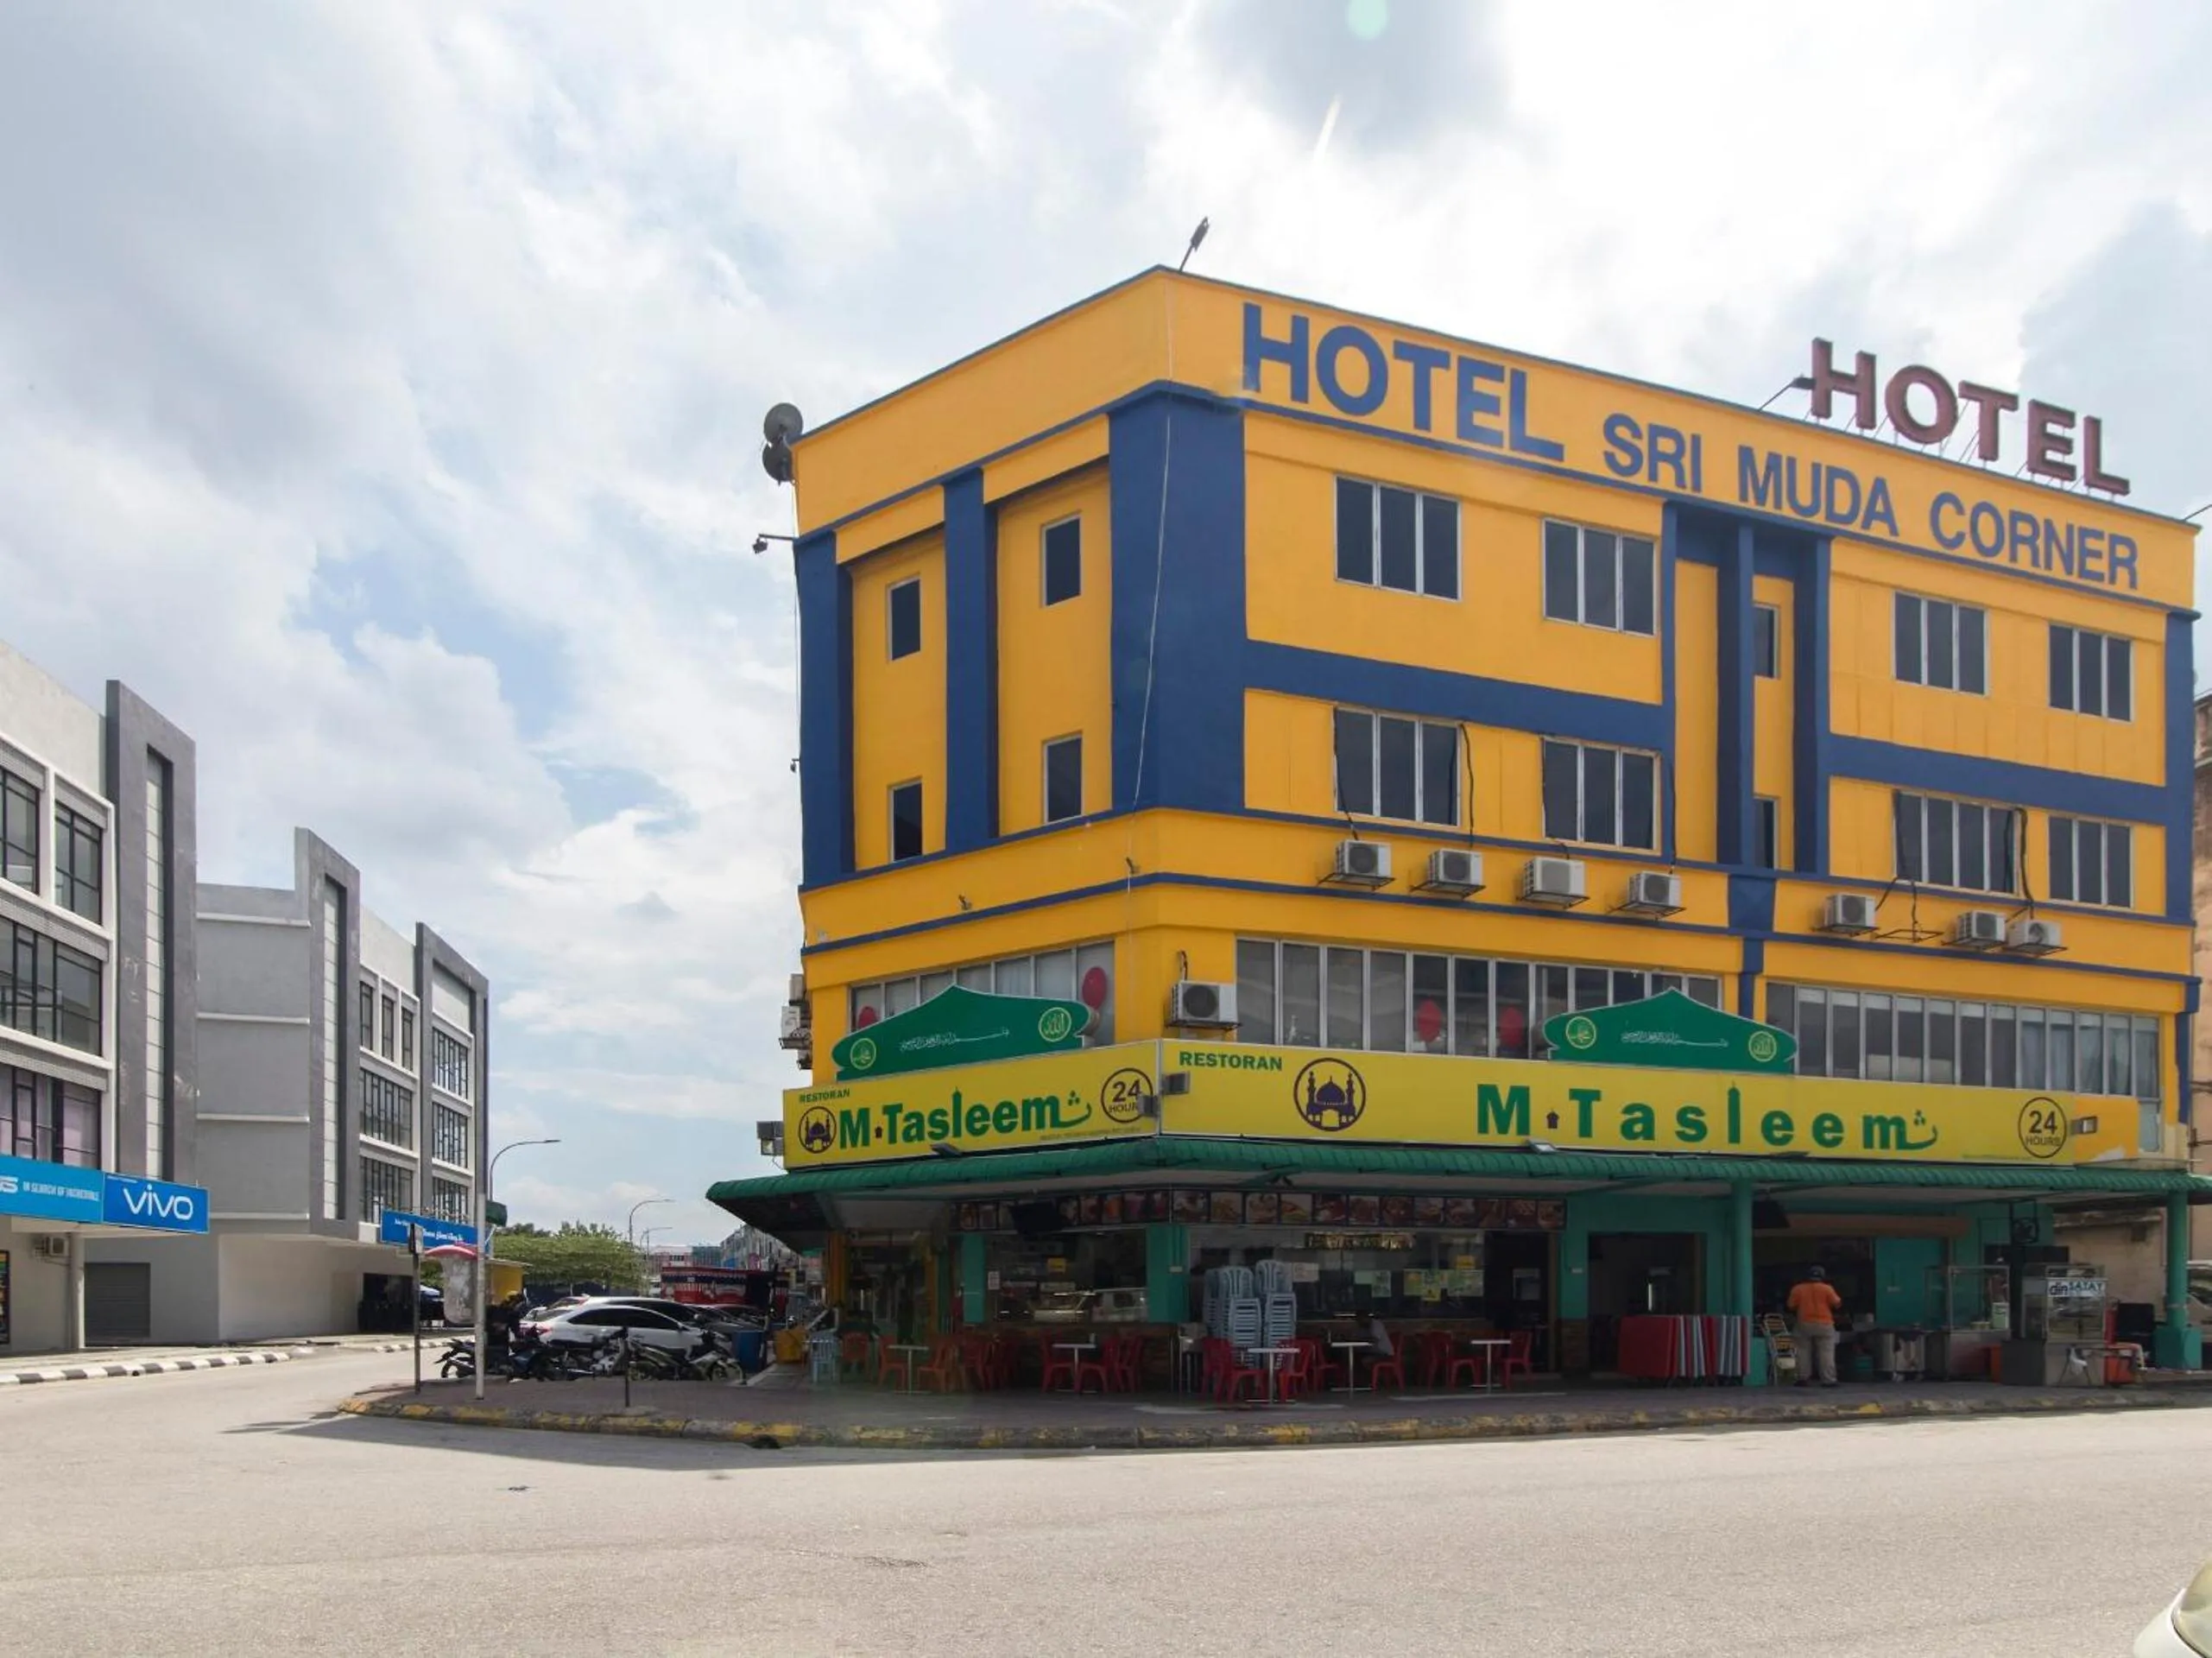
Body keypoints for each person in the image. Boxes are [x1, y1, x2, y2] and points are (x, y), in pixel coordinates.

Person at [1785, 1264, 1843, 1388]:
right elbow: (1837, 1304)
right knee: (1826, 1352)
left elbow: (1791, 1305)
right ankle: (1828, 1380)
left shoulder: (1798, 1289)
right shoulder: (1827, 1289)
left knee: (1802, 1351)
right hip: (1825, 1324)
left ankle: (1803, 1378)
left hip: (1804, 1323)